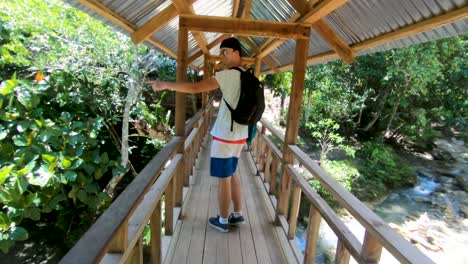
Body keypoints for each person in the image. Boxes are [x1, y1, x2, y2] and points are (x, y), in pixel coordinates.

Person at [148, 37, 247, 233]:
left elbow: (196, 88)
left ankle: (223, 219)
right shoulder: (248, 75)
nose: (223, 56)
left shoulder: (228, 75)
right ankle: (237, 213)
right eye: (222, 52)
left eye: (226, 51)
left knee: (224, 178)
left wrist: (166, 85)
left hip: (225, 135)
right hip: (240, 134)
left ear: (237, 52)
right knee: (233, 172)